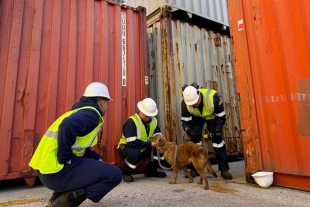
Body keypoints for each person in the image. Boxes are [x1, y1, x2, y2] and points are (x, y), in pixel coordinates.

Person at [29, 82, 122, 207]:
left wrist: (94, 157)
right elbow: (68, 126)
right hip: (56, 172)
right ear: (102, 102)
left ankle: (57, 197)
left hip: (47, 171)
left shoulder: (77, 113)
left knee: (94, 165)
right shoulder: (92, 114)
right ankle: (60, 204)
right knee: (115, 175)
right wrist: (65, 158)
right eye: (107, 103)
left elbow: (77, 144)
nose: (107, 106)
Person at [181, 84, 233, 180]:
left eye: (196, 102)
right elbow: (186, 121)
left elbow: (221, 116)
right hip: (197, 118)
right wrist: (188, 130)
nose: (195, 104)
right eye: (192, 104)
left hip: (212, 117)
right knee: (194, 141)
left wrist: (217, 130)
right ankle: (194, 169)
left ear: (199, 95)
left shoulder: (213, 97)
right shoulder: (185, 103)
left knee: (218, 142)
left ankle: (224, 169)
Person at [117, 98, 167, 182]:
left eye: (150, 115)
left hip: (143, 146)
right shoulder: (132, 121)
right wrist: (149, 144)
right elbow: (131, 143)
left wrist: (160, 138)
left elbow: (156, 133)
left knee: (159, 147)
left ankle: (151, 170)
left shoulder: (153, 120)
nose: (149, 117)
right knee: (135, 154)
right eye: (147, 114)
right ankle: (125, 172)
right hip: (126, 147)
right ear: (141, 111)